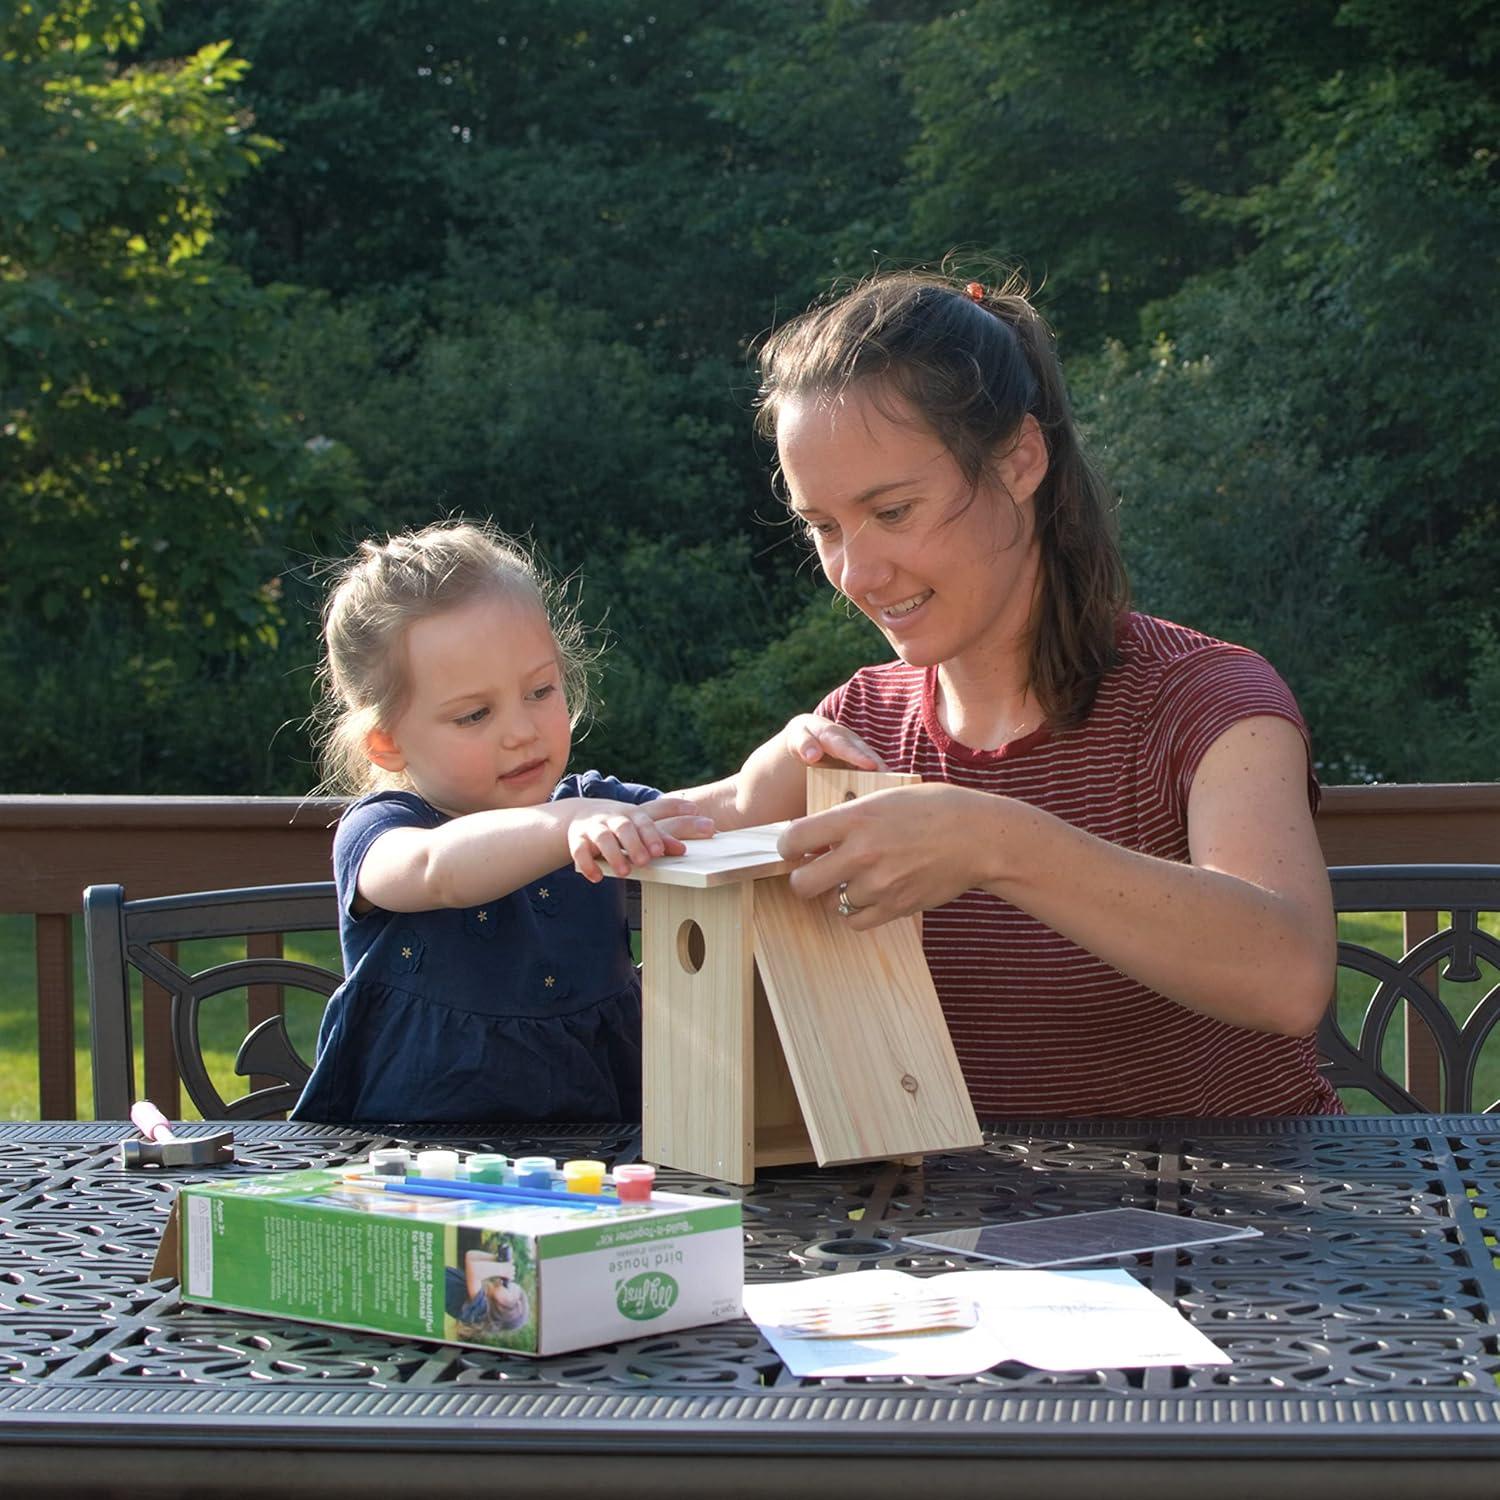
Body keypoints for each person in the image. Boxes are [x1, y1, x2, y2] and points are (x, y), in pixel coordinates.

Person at [680, 268, 1340, 1118]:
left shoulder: (1209, 702)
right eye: (824, 527)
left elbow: (1287, 975)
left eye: (892, 512)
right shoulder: (856, 729)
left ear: (1021, 459)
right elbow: (659, 831)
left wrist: (992, 840)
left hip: (1245, 1230)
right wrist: (556, 825)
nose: (858, 571)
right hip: (967, 1242)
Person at [291, 519, 714, 1124]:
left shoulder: (591, 807)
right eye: (474, 715)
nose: (521, 731)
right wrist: (566, 824)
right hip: (414, 1171)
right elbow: (438, 870)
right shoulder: (384, 829)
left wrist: (790, 756)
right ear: (386, 744)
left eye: (540, 691)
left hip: (607, 1158)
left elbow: (706, 816)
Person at [446, 1245, 531, 1336]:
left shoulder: (481, 1310)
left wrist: (502, 1269)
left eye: (507, 1286)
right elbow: (470, 1256)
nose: (504, 1282)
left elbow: (474, 1269)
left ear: (503, 1309)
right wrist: (496, 1259)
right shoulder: (482, 1296)